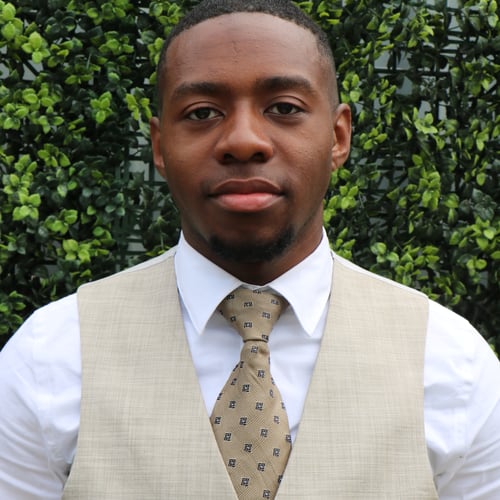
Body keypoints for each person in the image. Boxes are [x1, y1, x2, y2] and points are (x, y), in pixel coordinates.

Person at [0, 0, 499, 498]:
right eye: (202, 113)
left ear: (338, 136)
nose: (243, 141)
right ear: (159, 146)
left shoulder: (452, 366)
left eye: (284, 108)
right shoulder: (50, 359)